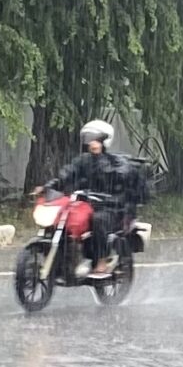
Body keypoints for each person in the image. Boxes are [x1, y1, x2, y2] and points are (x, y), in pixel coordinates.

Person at [39, 119, 142, 279]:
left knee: (97, 219)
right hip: (86, 204)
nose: (92, 142)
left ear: (105, 141)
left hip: (111, 208)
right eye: (89, 139)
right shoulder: (83, 161)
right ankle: (64, 257)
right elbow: (67, 174)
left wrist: (111, 197)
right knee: (61, 217)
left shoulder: (116, 163)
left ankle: (101, 261)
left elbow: (122, 181)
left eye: (96, 139)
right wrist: (49, 186)